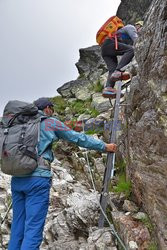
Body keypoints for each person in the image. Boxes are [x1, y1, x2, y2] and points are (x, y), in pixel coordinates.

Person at [8, 97, 117, 250]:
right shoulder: (49, 122)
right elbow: (77, 138)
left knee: (17, 227)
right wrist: (104, 146)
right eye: (52, 110)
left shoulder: (20, 124)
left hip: (17, 179)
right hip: (37, 179)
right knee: (33, 229)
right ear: (47, 108)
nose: (52, 113)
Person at [101, 20, 143, 98]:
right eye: (141, 28)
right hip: (111, 43)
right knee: (131, 50)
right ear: (138, 26)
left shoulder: (122, 33)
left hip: (105, 49)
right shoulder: (131, 27)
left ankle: (108, 88)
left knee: (112, 70)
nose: (141, 31)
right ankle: (118, 71)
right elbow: (136, 40)